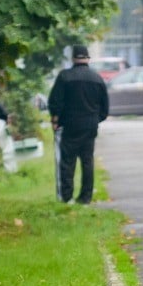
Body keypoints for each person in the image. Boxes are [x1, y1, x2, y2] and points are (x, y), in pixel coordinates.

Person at [48, 45, 109, 204]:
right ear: (88, 58)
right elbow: (105, 108)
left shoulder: (65, 77)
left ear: (73, 58)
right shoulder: (97, 78)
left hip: (69, 125)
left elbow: (55, 101)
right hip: (90, 126)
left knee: (67, 161)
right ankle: (85, 197)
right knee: (87, 161)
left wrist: (56, 120)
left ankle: (67, 197)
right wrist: (95, 119)